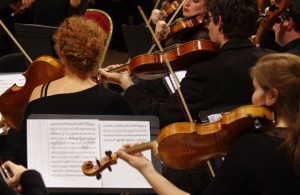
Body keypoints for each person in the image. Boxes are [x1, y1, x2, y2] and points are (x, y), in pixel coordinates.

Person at [98, 0, 274, 193]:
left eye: (210, 21)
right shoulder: (272, 61)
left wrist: (127, 84)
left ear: (220, 22)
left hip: (214, 171)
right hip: (268, 161)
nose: (207, 25)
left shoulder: (206, 71)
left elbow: (161, 116)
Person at [117, 53, 300, 194]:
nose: (252, 97)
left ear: (272, 96)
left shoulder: (254, 148)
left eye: (255, 89)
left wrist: (147, 169)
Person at [3, 16, 136, 168]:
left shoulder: (39, 93)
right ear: (98, 55)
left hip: (47, 184)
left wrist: (11, 134)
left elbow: (25, 152)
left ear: (60, 54)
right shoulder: (114, 101)